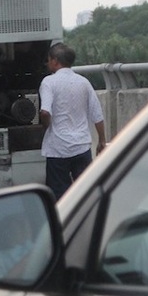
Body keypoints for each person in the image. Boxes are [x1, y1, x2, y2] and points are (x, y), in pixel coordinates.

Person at [38, 43, 106, 200]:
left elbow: (45, 111)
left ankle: (63, 222)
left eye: (48, 60)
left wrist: (46, 126)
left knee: (59, 196)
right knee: (86, 192)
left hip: (58, 149)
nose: (48, 63)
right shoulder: (83, 82)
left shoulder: (48, 82)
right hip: (81, 148)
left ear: (55, 61)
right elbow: (97, 114)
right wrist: (102, 141)